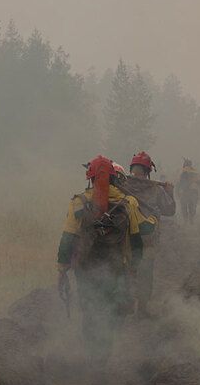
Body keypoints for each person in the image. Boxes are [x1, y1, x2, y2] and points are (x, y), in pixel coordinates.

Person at [56, 155, 145, 368]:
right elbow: (136, 241)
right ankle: (103, 354)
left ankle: (93, 356)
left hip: (85, 269)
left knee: (89, 309)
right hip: (116, 269)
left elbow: (68, 238)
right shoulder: (129, 202)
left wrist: (62, 269)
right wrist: (134, 268)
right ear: (115, 178)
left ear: (91, 178)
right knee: (111, 310)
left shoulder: (78, 202)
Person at [120, 151, 176, 316]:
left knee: (127, 271)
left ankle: (126, 305)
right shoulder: (155, 190)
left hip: (125, 239)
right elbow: (170, 210)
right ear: (148, 171)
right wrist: (170, 192)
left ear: (132, 168)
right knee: (145, 274)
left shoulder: (122, 186)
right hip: (147, 241)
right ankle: (142, 310)